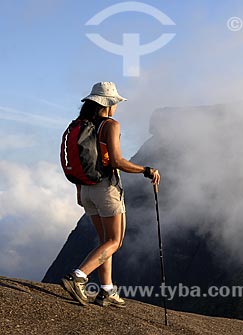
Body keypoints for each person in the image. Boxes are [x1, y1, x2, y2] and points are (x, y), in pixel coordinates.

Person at [61, 82, 160, 308]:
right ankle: (78, 277)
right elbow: (117, 161)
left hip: (86, 189)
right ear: (108, 103)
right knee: (115, 241)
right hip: (106, 189)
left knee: (105, 241)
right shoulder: (110, 125)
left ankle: (107, 290)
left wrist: (80, 190)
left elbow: (80, 161)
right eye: (115, 102)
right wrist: (146, 170)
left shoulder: (79, 125)